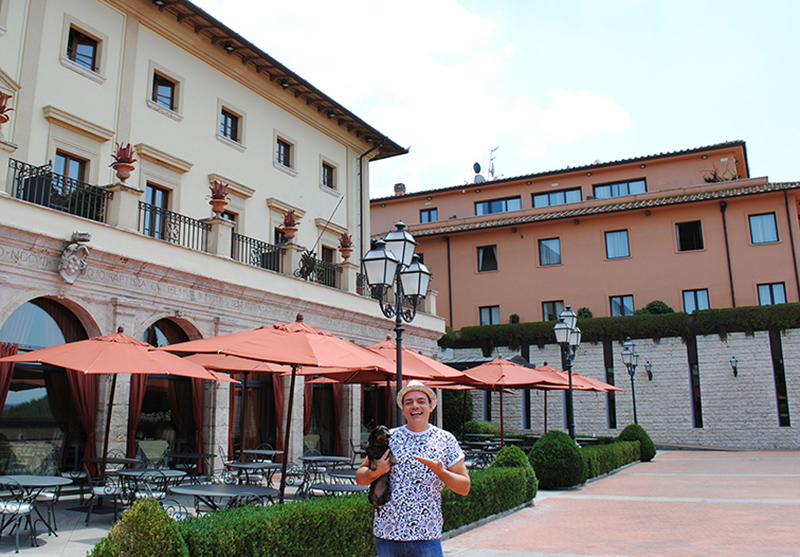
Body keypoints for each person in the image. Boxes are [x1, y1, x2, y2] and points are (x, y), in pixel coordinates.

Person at [356, 380, 471, 557]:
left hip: (426, 534)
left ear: (431, 406)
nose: (415, 406)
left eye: (421, 401)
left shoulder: (446, 440)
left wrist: (441, 472)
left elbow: (464, 487)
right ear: (403, 409)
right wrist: (377, 471)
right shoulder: (389, 438)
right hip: (388, 532)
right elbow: (360, 478)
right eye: (408, 402)